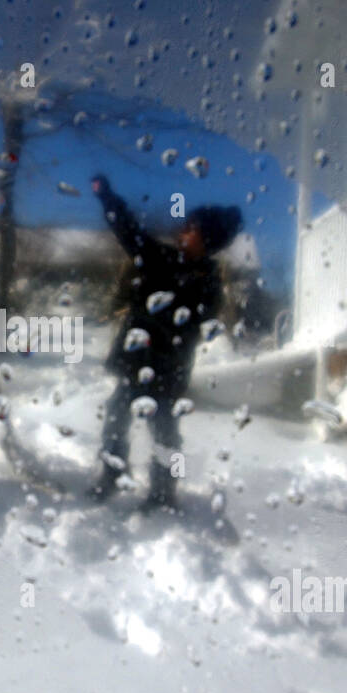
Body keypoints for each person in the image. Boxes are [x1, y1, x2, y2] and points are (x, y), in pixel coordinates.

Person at [88, 175, 241, 510]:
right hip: (135, 361)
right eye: (186, 224)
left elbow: (197, 321)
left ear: (208, 240)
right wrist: (108, 198)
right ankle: (112, 471)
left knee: (166, 434)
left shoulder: (210, 284)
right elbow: (129, 232)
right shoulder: (161, 258)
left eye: (192, 228)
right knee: (115, 416)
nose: (184, 230)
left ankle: (165, 489)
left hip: (168, 371)